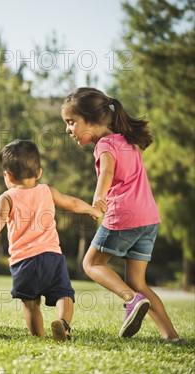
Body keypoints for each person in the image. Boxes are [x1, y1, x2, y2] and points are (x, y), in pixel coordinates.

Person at [62, 87, 180, 340]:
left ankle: (130, 300)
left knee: (91, 263)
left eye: (71, 122)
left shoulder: (104, 144)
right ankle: (170, 335)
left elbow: (106, 170)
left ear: (91, 120)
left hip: (124, 217)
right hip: (149, 219)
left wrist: (98, 198)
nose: (68, 129)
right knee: (138, 281)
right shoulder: (127, 141)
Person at [0, 139, 104, 341]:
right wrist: (92, 209)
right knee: (64, 295)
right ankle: (62, 323)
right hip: (51, 256)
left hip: (23, 261)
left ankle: (39, 337)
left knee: (30, 304)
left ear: (7, 176)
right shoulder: (46, 191)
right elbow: (71, 203)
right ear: (39, 172)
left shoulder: (7, 197)